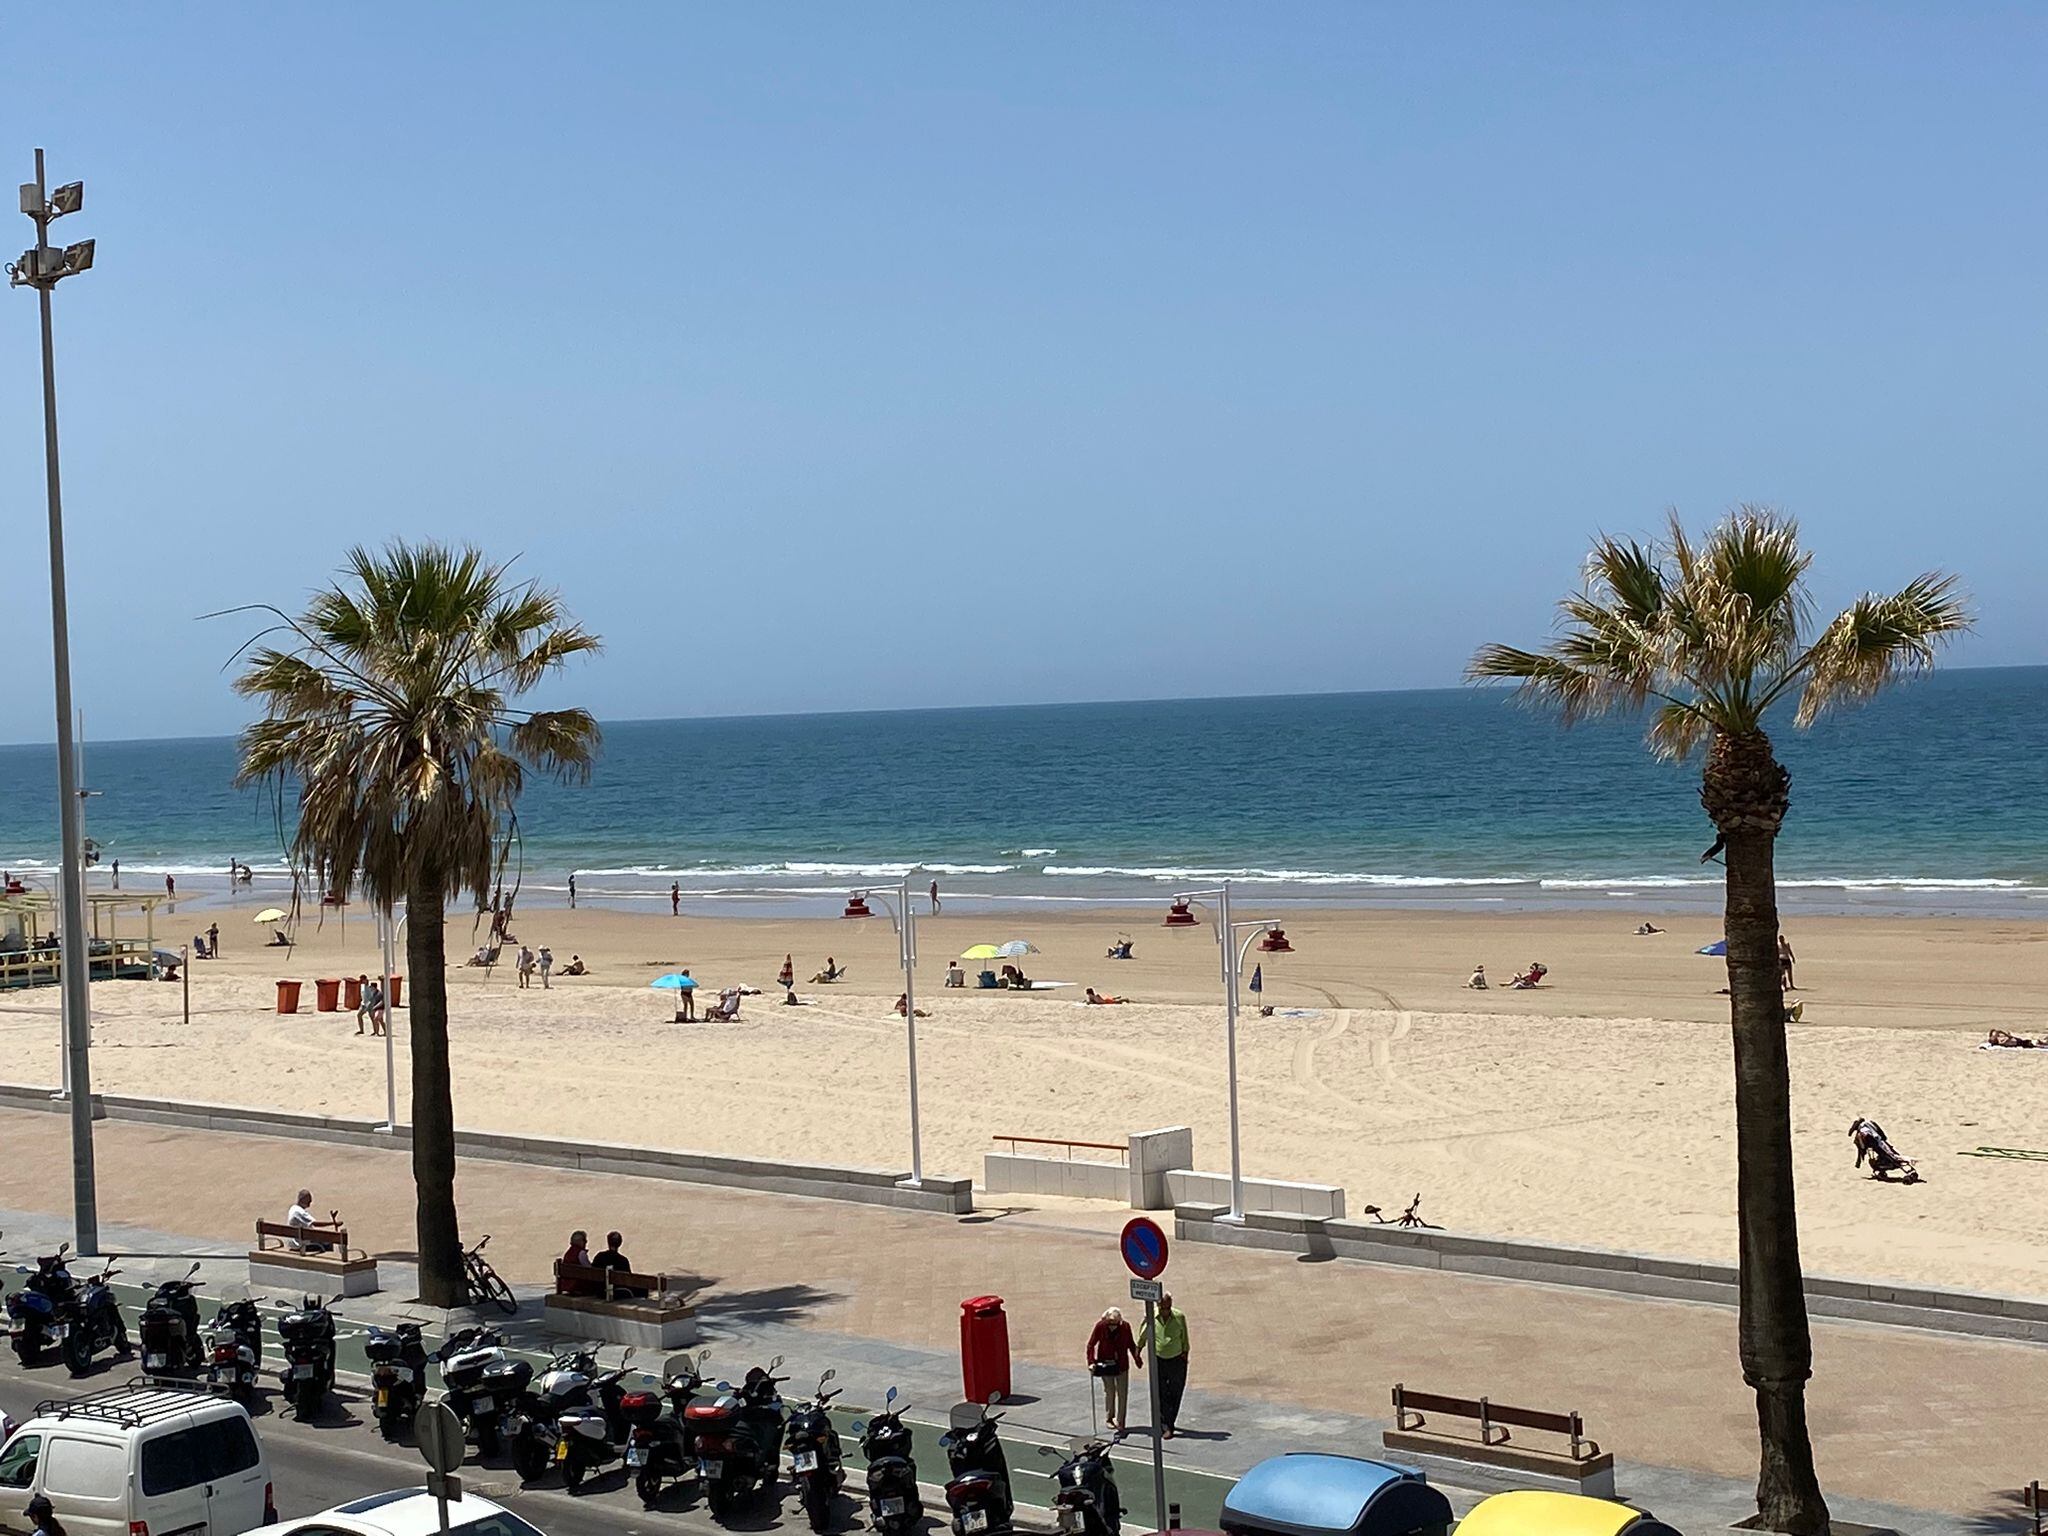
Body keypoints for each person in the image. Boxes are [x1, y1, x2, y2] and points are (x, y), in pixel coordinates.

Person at [1086, 1306, 1141, 1438]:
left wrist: (1137, 1359)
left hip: (1121, 1365)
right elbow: (1091, 1345)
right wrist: (1091, 1362)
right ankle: (1109, 1418)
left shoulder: (1125, 1327)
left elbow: (1131, 1344)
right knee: (1110, 1392)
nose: (1112, 1326)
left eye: (1115, 1324)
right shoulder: (1100, 1326)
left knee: (1123, 1394)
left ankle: (1121, 1421)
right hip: (1106, 1365)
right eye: (1110, 1324)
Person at [1145, 1293, 1190, 1438]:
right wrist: (1138, 1350)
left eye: (1168, 1307)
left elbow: (1185, 1337)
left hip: (1176, 1359)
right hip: (1158, 1359)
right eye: (1163, 1308)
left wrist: (1185, 1354)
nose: (1166, 1311)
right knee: (1161, 1392)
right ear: (1158, 1306)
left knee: (1175, 1391)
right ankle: (1165, 1425)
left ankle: (1170, 1423)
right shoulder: (1152, 1316)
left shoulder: (1179, 1316)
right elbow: (1144, 1331)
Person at [1849, 1117, 1919, 1183]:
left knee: (1891, 1158)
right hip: (1883, 1145)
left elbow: (1862, 1148)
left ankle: (1907, 1169)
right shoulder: (1870, 1125)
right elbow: (1883, 1136)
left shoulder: (1862, 1133)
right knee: (1892, 1157)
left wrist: (1859, 1161)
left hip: (1880, 1147)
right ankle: (1906, 1169)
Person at [591, 1230, 643, 1297]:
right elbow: (628, 1279)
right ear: (620, 1243)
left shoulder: (599, 1256)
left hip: (600, 1291)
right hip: (618, 1291)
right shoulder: (623, 1260)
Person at [287, 1189, 330, 1253]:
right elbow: (315, 1223)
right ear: (302, 1200)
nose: (309, 1205)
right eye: (308, 1202)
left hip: (293, 1242)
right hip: (300, 1244)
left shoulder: (293, 1208)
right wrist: (333, 1223)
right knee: (328, 1241)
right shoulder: (300, 1212)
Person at [557, 1229, 597, 1294]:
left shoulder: (568, 1253)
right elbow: (589, 1268)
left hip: (567, 1285)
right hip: (578, 1286)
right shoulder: (581, 1253)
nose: (586, 1242)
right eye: (584, 1240)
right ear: (580, 1241)